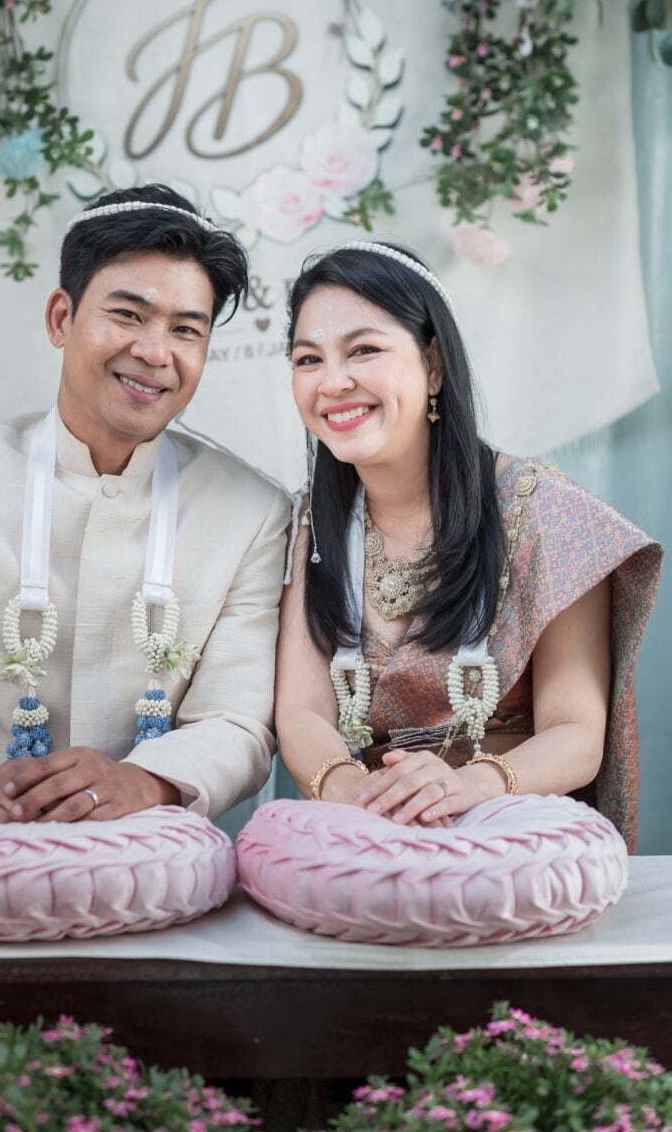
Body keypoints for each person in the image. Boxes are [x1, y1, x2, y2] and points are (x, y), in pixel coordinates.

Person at [0, 185, 290, 825]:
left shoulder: (251, 513)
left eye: (186, 330)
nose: (155, 352)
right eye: (128, 315)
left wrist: (142, 783)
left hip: (148, 856)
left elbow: (237, 720)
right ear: (60, 318)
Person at [275, 241, 662, 851]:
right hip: (373, 830)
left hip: (510, 829)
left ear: (433, 364)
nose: (333, 382)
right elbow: (301, 711)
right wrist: (357, 795)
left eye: (364, 350)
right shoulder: (310, 523)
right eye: (307, 359)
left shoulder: (544, 512)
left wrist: (464, 787)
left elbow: (576, 733)